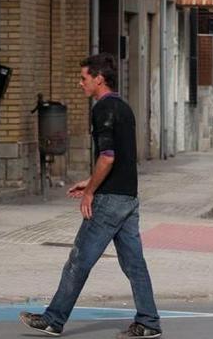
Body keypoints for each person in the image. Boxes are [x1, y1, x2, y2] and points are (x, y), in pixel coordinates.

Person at [20, 53, 162, 339]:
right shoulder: (124, 107)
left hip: (110, 201)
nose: (80, 83)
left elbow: (108, 157)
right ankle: (148, 322)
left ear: (99, 79)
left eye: (84, 78)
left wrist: (91, 193)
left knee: (79, 259)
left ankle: (53, 320)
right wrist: (89, 181)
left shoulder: (102, 109)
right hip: (128, 198)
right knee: (134, 264)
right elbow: (120, 159)